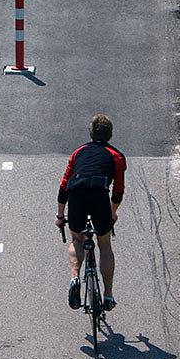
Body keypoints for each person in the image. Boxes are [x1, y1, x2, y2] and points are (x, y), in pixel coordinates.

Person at [55, 114, 126, 312]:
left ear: (90, 133)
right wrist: (112, 214)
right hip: (99, 195)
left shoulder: (78, 152)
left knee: (77, 240)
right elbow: (118, 191)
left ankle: (75, 277)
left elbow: (63, 187)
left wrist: (60, 217)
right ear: (110, 135)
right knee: (104, 244)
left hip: (76, 193)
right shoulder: (117, 156)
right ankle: (108, 295)